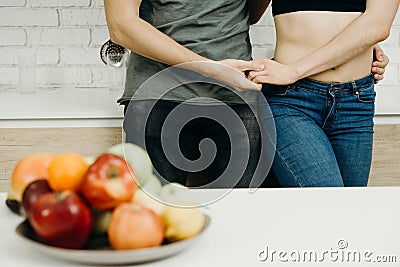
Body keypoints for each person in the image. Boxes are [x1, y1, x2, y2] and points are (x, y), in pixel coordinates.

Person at [104, 0, 388, 188]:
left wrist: (355, 50)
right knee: (147, 222)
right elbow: (121, 26)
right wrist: (209, 68)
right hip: (158, 96)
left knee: (241, 225)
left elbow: (250, 13)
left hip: (235, 99)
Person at [247, 0, 399, 187]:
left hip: (355, 102)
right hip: (291, 99)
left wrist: (359, 46)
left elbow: (377, 26)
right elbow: (250, 14)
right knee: (329, 205)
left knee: (350, 209)